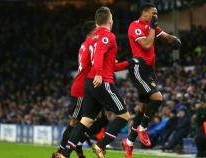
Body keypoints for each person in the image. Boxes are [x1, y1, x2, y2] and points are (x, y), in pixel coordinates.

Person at [53, 7, 131, 158]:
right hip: (96, 82)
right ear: (108, 21)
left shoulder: (88, 42)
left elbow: (103, 59)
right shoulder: (104, 37)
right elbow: (100, 54)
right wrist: (100, 73)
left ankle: (65, 153)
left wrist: (128, 63)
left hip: (87, 83)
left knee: (85, 120)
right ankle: (97, 145)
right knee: (123, 115)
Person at [121, 3, 181, 157]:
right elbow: (147, 45)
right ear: (145, 12)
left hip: (149, 71)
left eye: (157, 13)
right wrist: (153, 27)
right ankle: (143, 128)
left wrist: (174, 39)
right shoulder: (135, 26)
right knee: (157, 98)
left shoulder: (151, 25)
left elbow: (165, 36)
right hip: (139, 68)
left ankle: (128, 142)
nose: (156, 16)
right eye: (154, 12)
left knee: (142, 108)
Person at [52, 20, 108, 158]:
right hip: (82, 88)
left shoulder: (85, 44)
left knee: (102, 120)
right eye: (97, 28)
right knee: (75, 122)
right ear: (92, 31)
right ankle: (61, 152)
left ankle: (77, 143)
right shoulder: (90, 44)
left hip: (89, 87)